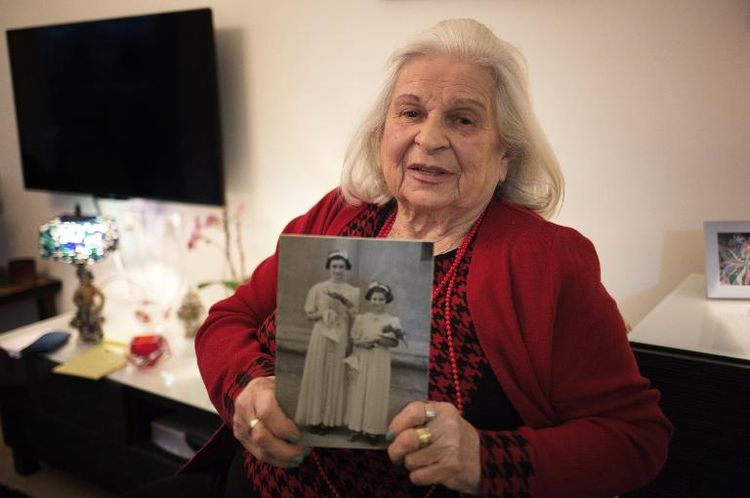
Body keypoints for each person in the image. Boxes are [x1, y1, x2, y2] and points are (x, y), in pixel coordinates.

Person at [124, 18, 671, 498]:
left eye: (463, 119)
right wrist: (250, 389)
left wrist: (484, 458)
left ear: (505, 155)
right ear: (382, 131)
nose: (428, 138)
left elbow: (635, 438)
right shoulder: (337, 216)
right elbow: (228, 319)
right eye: (410, 111)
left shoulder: (548, 261)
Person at [294, 250, 359, 435]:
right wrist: (322, 314)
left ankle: (329, 420)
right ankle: (314, 418)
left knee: (335, 373)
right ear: (329, 267)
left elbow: (355, 314)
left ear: (346, 269)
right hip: (321, 335)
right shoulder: (318, 289)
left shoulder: (352, 291)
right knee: (318, 372)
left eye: (341, 267)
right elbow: (309, 315)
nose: (337, 270)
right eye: (334, 266)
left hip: (340, 336)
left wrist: (343, 301)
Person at [344, 282, 402, 444]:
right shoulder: (361, 319)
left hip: (379, 360)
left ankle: (373, 431)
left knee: (376, 392)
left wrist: (378, 339)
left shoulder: (393, 321)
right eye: (375, 299)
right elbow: (354, 339)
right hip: (362, 357)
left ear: (386, 301)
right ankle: (356, 428)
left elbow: (394, 343)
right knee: (358, 391)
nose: (377, 302)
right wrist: (364, 343)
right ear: (370, 299)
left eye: (381, 299)